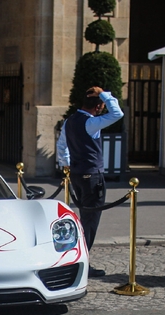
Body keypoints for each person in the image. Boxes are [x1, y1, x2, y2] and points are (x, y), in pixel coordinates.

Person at [56, 86, 124, 277]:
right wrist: (104, 94)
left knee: (84, 218)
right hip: (91, 175)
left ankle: (77, 259)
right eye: (101, 105)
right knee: (90, 222)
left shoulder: (70, 121)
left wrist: (67, 165)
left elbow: (62, 145)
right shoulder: (91, 123)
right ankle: (82, 262)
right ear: (98, 106)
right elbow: (117, 113)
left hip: (77, 174)